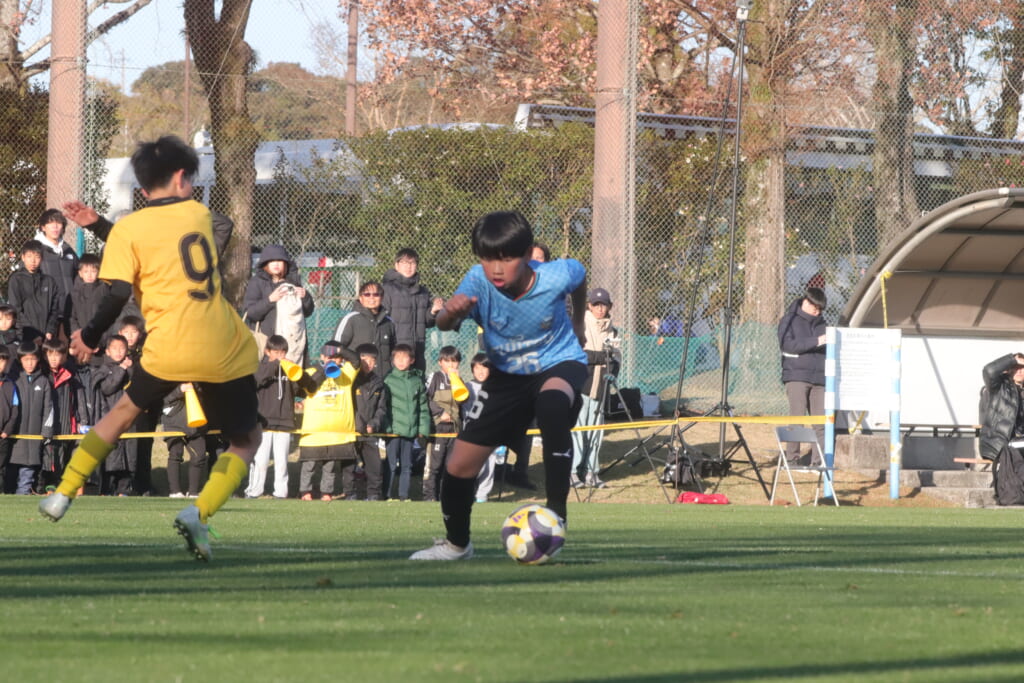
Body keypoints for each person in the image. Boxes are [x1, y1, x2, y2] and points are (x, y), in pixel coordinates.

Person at [39, 135, 261, 563]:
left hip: (167, 345)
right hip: (220, 344)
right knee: (246, 439)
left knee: (121, 413)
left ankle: (62, 493)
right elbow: (170, 243)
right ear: (182, 178)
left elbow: (120, 288)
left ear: (142, 189)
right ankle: (199, 512)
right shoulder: (200, 215)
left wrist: (90, 335)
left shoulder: (130, 228)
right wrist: (103, 226)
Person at [410, 210, 587, 561]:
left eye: (506, 259)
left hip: (558, 362)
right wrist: (450, 312)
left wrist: (579, 324)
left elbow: (579, 278)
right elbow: (443, 322)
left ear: (528, 255)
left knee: (552, 403)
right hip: (506, 377)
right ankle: (457, 545)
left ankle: (556, 517)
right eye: (488, 258)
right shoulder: (477, 281)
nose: (496, 268)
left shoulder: (556, 274)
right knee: (458, 465)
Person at [296, 342, 359, 501]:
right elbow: (308, 386)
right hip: (313, 431)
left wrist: (340, 350)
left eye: (336, 357)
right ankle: (305, 492)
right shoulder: (312, 371)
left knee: (329, 467)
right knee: (309, 465)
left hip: (335, 433)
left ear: (341, 359)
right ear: (322, 357)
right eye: (328, 356)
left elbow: (356, 360)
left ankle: (326, 492)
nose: (332, 359)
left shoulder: (346, 374)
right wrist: (323, 370)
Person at [571, 287, 618, 489]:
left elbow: (616, 359)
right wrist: (602, 357)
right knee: (578, 430)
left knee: (596, 432)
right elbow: (579, 355)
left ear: (609, 307)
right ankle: (573, 472)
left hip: (601, 388)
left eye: (603, 305)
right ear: (589, 305)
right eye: (596, 304)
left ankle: (591, 471)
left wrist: (611, 370)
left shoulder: (612, 330)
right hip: (581, 387)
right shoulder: (580, 324)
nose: (600, 309)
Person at [777, 285, 828, 463]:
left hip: (820, 379)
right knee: (797, 420)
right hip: (796, 377)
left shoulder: (823, 324)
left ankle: (818, 462)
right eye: (815, 307)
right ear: (806, 302)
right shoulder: (789, 320)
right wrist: (817, 341)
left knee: (820, 423)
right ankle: (792, 459)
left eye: (820, 309)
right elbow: (787, 345)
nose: (817, 311)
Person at [245, 334, 298, 499]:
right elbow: (258, 379)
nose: (280, 356)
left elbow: (297, 390)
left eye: (283, 352)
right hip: (264, 422)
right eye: (276, 352)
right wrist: (275, 364)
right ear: (267, 351)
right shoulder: (259, 367)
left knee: (281, 462)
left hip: (284, 422)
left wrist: (295, 373)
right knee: (260, 460)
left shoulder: (288, 368)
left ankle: (281, 492)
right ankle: (254, 491)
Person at [243, 244, 314, 364]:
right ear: (265, 263)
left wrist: (305, 297)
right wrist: (270, 300)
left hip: (293, 343)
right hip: (268, 346)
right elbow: (250, 313)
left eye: (279, 260)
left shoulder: (293, 282)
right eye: (271, 261)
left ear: (286, 263)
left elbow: (307, 311)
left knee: (293, 373)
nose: (276, 264)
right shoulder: (257, 282)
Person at [381, 248, 443, 372]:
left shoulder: (423, 292)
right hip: (396, 352)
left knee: (417, 381)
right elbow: (382, 320)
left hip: (417, 351)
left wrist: (433, 312)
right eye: (404, 262)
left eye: (412, 263)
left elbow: (427, 322)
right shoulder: (387, 290)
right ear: (396, 265)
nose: (408, 266)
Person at [383, 344, 431, 501]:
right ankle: (386, 494)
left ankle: (404, 495)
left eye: (405, 358)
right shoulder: (388, 380)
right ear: (393, 360)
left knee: (407, 465)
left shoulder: (417, 381)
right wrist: (387, 427)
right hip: (393, 431)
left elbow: (422, 407)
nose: (401, 361)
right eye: (398, 358)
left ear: (412, 360)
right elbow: (383, 407)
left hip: (410, 432)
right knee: (391, 464)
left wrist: (422, 428)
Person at [40, 338, 85, 494]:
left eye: (57, 354)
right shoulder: (42, 376)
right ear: (44, 355)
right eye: (50, 354)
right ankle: (47, 485)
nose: (54, 358)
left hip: (65, 423)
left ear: (64, 356)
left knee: (63, 455)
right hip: (46, 424)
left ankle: (61, 485)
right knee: (48, 455)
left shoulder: (70, 377)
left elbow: (75, 401)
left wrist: (79, 420)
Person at [424, 345, 467, 501]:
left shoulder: (459, 380)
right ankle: (429, 497)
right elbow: (425, 398)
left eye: (454, 361)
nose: (451, 365)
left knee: (450, 466)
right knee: (434, 466)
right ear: (440, 362)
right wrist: (439, 412)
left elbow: (462, 402)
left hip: (454, 430)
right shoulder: (434, 377)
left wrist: (458, 382)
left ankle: (445, 497)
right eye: (447, 361)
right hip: (438, 429)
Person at [980, 353, 1024, 505]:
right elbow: (988, 371)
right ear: (1009, 370)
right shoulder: (999, 386)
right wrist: (1012, 359)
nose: (1020, 371)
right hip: (1000, 440)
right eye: (1016, 368)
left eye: (1022, 368)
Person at [11, 342, 54, 495]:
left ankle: (22, 494)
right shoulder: (14, 380)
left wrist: (46, 431)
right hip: (14, 435)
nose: (29, 363)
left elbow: (49, 408)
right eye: (26, 359)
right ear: (20, 360)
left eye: (33, 359)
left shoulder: (44, 381)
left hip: (34, 436)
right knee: (10, 472)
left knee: (27, 471)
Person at [93, 336, 134, 495]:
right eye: (115, 348)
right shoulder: (103, 369)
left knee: (129, 456)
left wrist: (129, 369)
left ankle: (125, 490)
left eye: (122, 348)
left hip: (129, 419)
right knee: (110, 457)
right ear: (108, 351)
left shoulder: (131, 367)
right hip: (109, 418)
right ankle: (107, 490)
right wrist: (121, 369)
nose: (118, 352)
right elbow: (107, 388)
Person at [465, 353, 505, 503]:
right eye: (477, 368)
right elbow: (465, 412)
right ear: (472, 370)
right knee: (475, 466)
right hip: (473, 436)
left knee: (489, 465)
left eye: (484, 368)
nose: (481, 372)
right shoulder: (468, 387)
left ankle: (482, 495)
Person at [334, 281, 396, 376]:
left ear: (382, 297)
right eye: (367, 294)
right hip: (356, 377)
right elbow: (334, 347)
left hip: (383, 377)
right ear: (360, 298)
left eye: (376, 294)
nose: (372, 298)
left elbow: (393, 351)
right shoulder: (350, 319)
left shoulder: (388, 322)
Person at [352, 343, 388, 501]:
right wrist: (358, 425)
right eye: (364, 360)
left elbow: (382, 408)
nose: (368, 363)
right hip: (352, 431)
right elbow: (349, 406)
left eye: (372, 360)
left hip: (370, 433)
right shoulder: (351, 380)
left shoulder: (379, 383)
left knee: (375, 467)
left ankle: (373, 495)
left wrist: (373, 424)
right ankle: (350, 494)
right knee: (349, 467)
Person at [34, 208, 79, 336]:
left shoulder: (68, 250)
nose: (55, 226)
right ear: (43, 227)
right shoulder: (36, 250)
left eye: (58, 223)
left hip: (69, 312)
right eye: (50, 223)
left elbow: (78, 277)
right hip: (46, 315)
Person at [161, 382, 210, 499]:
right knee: (175, 455)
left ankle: (193, 492)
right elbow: (162, 398)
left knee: (199, 456)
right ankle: (175, 491)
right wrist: (180, 390)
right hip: (173, 423)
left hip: (196, 424)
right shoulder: (167, 376)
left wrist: (197, 386)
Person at [6, 239, 60, 344]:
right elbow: (16, 309)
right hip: (24, 336)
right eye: (29, 256)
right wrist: (32, 334)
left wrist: (50, 331)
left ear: (42, 259)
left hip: (46, 337)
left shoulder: (49, 281)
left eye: (37, 257)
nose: (33, 261)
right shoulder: (16, 279)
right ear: (23, 257)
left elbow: (54, 310)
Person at [70, 254, 111, 343]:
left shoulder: (104, 290)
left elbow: (109, 316)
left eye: (93, 271)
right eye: (86, 271)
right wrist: (78, 336)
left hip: (101, 339)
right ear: (80, 273)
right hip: (80, 340)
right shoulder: (75, 293)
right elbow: (72, 318)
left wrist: (102, 340)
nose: (89, 275)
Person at [0, 347, 18, 494]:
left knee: (1, 468)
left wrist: (7, 430)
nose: (1, 364)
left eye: (3, 361)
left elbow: (15, 409)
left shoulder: (11, 384)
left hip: (3, 436)